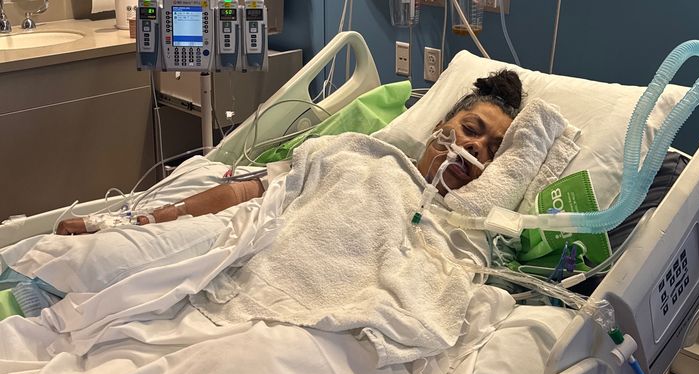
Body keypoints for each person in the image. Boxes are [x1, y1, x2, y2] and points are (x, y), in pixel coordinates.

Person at [56, 69, 522, 236]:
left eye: (490, 150)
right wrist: (142, 221)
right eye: (471, 130)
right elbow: (248, 192)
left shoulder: (461, 230)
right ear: (440, 127)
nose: (474, 147)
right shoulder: (357, 153)